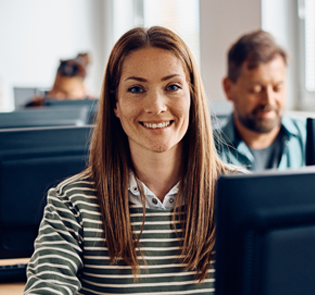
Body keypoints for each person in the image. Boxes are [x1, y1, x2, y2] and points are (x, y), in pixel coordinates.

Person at [24, 26, 239, 295]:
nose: (156, 106)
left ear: (192, 96)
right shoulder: (71, 203)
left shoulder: (242, 196)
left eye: (172, 86)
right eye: (136, 89)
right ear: (115, 103)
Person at [216, 30, 306, 171]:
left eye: (277, 88)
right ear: (228, 89)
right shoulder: (206, 150)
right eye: (256, 90)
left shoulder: (309, 138)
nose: (269, 101)